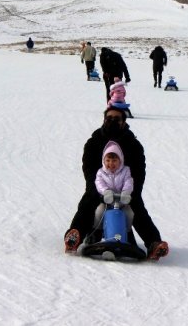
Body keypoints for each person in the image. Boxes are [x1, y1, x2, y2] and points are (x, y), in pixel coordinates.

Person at [64, 106, 169, 260]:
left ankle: (154, 244)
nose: (112, 121)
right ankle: (74, 237)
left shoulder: (133, 145)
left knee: (138, 210)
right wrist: (97, 191)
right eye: (109, 118)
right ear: (104, 120)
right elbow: (89, 170)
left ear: (123, 122)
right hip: (100, 188)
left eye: (116, 119)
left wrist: (131, 192)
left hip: (126, 189)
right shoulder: (94, 142)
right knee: (87, 204)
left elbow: (139, 172)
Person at [93, 140, 134, 231]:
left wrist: (126, 192)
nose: (111, 163)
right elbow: (99, 183)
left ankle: (127, 232)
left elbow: (128, 181)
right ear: (104, 160)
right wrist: (105, 191)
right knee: (99, 212)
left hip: (122, 201)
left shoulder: (125, 170)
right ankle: (97, 231)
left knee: (129, 213)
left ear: (120, 161)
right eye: (108, 160)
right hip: (107, 201)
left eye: (114, 161)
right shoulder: (101, 172)